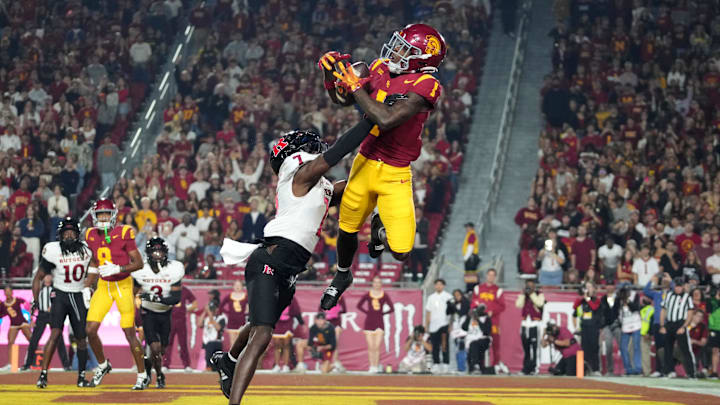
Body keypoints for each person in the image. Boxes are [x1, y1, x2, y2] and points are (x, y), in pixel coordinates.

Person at [210, 120, 378, 404]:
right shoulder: (300, 176)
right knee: (262, 335)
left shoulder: (318, 186)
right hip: (270, 261)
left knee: (258, 323)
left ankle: (228, 361)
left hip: (288, 270)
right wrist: (371, 122)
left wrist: (382, 164)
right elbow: (338, 151)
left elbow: (360, 187)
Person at [319, 24, 447, 311]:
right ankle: (342, 275)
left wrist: (354, 86)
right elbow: (343, 100)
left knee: (401, 251)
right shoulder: (379, 67)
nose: (396, 50)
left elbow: (387, 119)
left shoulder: (427, 85)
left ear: (422, 58)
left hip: (395, 172)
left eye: (405, 48)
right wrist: (331, 75)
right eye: (398, 44)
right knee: (347, 227)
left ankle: (379, 230)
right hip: (365, 161)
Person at [83, 199, 148, 389]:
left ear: (113, 215)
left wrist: (118, 268)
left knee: (129, 332)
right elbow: (95, 262)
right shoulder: (90, 234)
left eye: (106, 214)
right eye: (100, 214)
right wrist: (87, 285)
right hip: (104, 286)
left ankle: (142, 374)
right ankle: (103, 365)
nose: (103, 218)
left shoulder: (124, 232)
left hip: (123, 285)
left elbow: (139, 263)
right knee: (90, 330)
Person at [33, 218, 90, 388]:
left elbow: (95, 270)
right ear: (60, 235)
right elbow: (38, 278)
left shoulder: (87, 251)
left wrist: (91, 286)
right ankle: (43, 374)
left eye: (72, 232)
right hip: (60, 295)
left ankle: (81, 376)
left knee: (81, 338)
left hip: (78, 294)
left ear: (78, 235)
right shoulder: (53, 250)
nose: (69, 236)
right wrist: (36, 300)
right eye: (66, 232)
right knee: (55, 333)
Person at [131, 237, 184, 389]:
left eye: (160, 251)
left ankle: (152, 370)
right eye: (154, 251)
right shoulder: (142, 270)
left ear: (165, 252)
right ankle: (159, 375)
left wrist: (156, 298)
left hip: (165, 314)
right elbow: (132, 293)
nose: (157, 254)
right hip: (148, 313)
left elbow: (175, 298)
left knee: (161, 350)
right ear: (148, 253)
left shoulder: (173, 269)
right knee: (154, 348)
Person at [24, 274, 71, 372]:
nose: (48, 278)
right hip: (41, 315)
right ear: (43, 278)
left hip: (53, 315)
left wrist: (55, 309)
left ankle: (66, 365)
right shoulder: (39, 290)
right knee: (34, 339)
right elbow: (32, 305)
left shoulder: (55, 289)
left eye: (50, 276)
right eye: (46, 276)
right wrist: (32, 319)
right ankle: (27, 364)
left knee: (58, 339)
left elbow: (60, 302)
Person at [470, 268, 507, 373]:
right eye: (489, 275)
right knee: (477, 343)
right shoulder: (478, 288)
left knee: (496, 344)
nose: (490, 277)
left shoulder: (498, 290)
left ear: (495, 277)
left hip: (493, 322)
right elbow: (473, 303)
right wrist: (476, 312)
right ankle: (477, 365)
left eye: (493, 275)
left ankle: (495, 365)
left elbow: (503, 306)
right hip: (479, 322)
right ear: (486, 276)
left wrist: (493, 311)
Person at [660, 277, 696, 378]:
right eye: (676, 286)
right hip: (670, 323)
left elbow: (690, 313)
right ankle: (669, 371)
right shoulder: (669, 295)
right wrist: (662, 325)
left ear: (683, 287)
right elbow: (663, 310)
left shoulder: (687, 297)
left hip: (680, 323)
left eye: (680, 286)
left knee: (685, 349)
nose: (678, 288)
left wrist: (684, 326)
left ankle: (691, 372)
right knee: (667, 348)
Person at [357, 276, 394, 373]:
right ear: (372, 283)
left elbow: (392, 308)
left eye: (379, 282)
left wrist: (382, 313)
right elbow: (359, 305)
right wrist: (368, 312)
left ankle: (376, 366)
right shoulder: (368, 294)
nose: (377, 284)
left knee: (377, 347)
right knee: (370, 347)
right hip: (369, 322)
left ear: (381, 284)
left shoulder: (384, 295)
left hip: (379, 322)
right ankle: (371, 366)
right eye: (375, 282)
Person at [163, 285, 197, 371]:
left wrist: (186, 309)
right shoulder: (167, 289)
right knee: (168, 343)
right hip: (169, 320)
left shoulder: (185, 290)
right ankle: (165, 364)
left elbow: (195, 303)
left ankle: (186, 365)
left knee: (183, 343)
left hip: (181, 320)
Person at [515, 279, 544, 375]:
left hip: (534, 324)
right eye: (528, 285)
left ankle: (534, 367)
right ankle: (526, 368)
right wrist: (523, 294)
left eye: (531, 286)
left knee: (535, 348)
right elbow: (518, 305)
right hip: (524, 324)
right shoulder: (523, 295)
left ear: (535, 286)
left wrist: (532, 294)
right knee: (526, 348)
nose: (529, 287)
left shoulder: (539, 294)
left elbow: (540, 303)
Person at [573, 281, 601, 375]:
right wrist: (583, 296)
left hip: (593, 327)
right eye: (586, 287)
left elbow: (594, 308)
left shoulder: (596, 300)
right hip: (584, 327)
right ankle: (582, 370)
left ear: (593, 289)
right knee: (584, 349)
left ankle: (596, 369)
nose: (588, 289)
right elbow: (575, 306)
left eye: (589, 287)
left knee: (594, 348)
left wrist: (588, 298)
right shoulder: (582, 300)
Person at [0, 284, 31, 371]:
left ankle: (32, 361)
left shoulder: (17, 300)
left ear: (12, 292)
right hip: (13, 325)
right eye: (6, 292)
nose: (8, 293)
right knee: (10, 342)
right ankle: (10, 364)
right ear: (4, 293)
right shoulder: (3, 304)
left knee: (32, 340)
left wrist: (29, 310)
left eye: (9, 291)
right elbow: (1, 314)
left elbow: (26, 304)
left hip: (22, 323)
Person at [425, 279, 452, 373]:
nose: (439, 286)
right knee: (435, 346)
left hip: (444, 324)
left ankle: (446, 364)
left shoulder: (448, 297)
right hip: (433, 325)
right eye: (437, 284)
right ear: (434, 286)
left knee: (444, 345)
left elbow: (452, 312)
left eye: (441, 284)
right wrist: (426, 325)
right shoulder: (431, 297)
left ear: (444, 286)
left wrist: (451, 324)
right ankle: (436, 363)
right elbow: (428, 312)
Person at [271, 297, 303, 372]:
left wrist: (301, 322)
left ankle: (286, 366)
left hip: (287, 323)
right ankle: (277, 365)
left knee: (286, 345)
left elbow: (296, 311)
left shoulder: (291, 297)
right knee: (276, 345)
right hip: (277, 323)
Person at [617, 285, 642, 375]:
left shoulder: (635, 295)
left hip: (635, 324)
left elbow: (635, 308)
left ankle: (638, 369)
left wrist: (627, 301)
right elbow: (616, 311)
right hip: (625, 325)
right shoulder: (619, 298)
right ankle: (628, 369)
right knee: (623, 347)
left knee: (636, 347)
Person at [462, 304, 493, 374]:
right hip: (470, 340)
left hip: (483, 339)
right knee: (472, 348)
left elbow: (487, 332)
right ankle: (476, 368)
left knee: (474, 345)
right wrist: (468, 317)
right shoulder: (470, 318)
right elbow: (464, 328)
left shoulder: (486, 318)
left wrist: (478, 320)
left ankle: (476, 365)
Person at [599, 283, 621, 376]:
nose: (609, 287)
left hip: (617, 325)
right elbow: (601, 313)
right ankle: (610, 370)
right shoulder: (603, 299)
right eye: (608, 285)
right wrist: (601, 326)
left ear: (614, 287)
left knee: (623, 347)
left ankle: (627, 369)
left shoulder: (618, 298)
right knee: (608, 347)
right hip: (607, 326)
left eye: (611, 285)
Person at [200, 298, 227, 370]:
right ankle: (209, 369)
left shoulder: (222, 318)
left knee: (216, 363)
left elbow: (218, 328)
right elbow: (199, 324)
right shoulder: (206, 319)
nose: (211, 311)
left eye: (212, 309)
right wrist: (204, 312)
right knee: (209, 361)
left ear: (217, 309)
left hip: (216, 342)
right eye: (210, 309)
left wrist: (209, 313)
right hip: (207, 342)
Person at [220, 280, 247, 348]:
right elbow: (221, 306)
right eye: (236, 285)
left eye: (239, 285)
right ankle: (232, 358)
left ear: (242, 287)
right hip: (232, 321)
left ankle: (241, 358)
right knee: (232, 341)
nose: (237, 287)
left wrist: (246, 314)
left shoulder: (246, 296)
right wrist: (228, 312)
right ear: (233, 286)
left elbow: (252, 307)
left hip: (242, 321)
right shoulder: (229, 296)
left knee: (241, 341)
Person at [462, 222, 480, 292]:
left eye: (468, 227)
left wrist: (465, 258)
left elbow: (470, 247)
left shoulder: (471, 234)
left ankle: (470, 289)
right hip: (471, 257)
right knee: (470, 273)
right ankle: (471, 288)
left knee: (470, 273)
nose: (466, 229)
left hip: (471, 257)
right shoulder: (470, 234)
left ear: (471, 228)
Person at [708, 287, 720, 378]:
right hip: (715, 328)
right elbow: (709, 314)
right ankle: (715, 372)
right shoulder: (712, 301)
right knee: (715, 350)